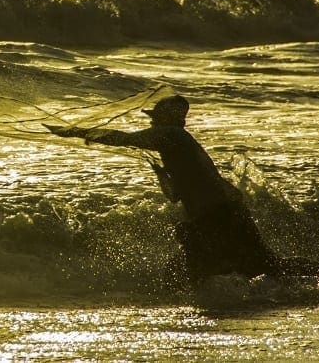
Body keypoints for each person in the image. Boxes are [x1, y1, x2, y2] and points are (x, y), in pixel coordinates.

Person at [47, 94, 284, 283]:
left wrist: (78, 133)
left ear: (170, 117)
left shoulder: (171, 135)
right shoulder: (177, 143)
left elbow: (123, 138)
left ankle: (313, 279)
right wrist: (162, 175)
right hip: (216, 214)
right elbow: (174, 196)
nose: (151, 121)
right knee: (257, 266)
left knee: (191, 273)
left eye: (155, 116)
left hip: (217, 216)